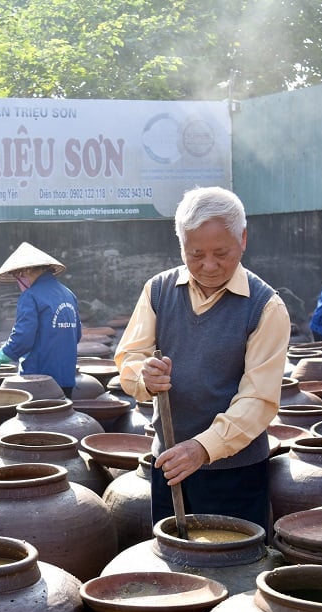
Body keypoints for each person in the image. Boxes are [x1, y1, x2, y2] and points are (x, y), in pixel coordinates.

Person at [114, 186, 291, 530]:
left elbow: (259, 398)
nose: (209, 265)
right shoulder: (158, 291)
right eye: (195, 254)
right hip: (169, 464)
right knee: (176, 567)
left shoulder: (266, 306)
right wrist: (143, 377)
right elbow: (129, 357)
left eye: (221, 253)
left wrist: (202, 448)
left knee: (235, 572)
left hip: (235, 472)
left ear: (243, 239)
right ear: (181, 246)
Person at [0, 242, 82, 397]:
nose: (18, 280)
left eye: (17, 275)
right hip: (67, 378)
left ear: (25, 270)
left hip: (38, 380)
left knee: (38, 421)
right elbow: (77, 335)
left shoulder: (30, 296)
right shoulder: (68, 294)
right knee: (62, 418)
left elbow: (23, 339)